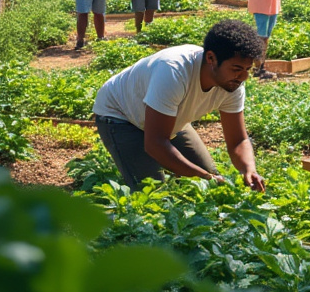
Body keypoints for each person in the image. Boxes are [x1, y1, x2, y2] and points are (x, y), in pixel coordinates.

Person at [91, 19, 266, 191]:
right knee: (154, 193)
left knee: (209, 182)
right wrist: (204, 177)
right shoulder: (173, 70)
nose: (243, 77)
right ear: (211, 58)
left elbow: (238, 140)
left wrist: (249, 169)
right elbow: (155, 143)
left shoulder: (232, 83)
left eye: (247, 69)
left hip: (165, 117)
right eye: (236, 69)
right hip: (121, 115)